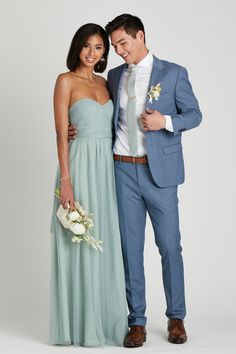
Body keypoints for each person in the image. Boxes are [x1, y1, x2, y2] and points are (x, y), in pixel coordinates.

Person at [69, 14, 202, 347]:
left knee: (170, 246)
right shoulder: (112, 76)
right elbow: (98, 112)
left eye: (122, 43)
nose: (118, 51)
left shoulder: (173, 73)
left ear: (140, 36)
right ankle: (137, 321)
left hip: (160, 175)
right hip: (121, 171)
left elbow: (195, 114)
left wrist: (165, 121)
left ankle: (176, 318)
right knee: (129, 250)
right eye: (114, 46)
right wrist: (75, 129)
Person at [49, 23, 128, 347]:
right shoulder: (65, 81)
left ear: (104, 53)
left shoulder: (107, 83)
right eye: (87, 46)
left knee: (103, 242)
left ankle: (105, 320)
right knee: (77, 244)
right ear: (77, 47)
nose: (92, 53)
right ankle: (77, 325)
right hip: (79, 167)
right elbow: (60, 134)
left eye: (99, 48)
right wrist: (66, 182)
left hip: (106, 170)